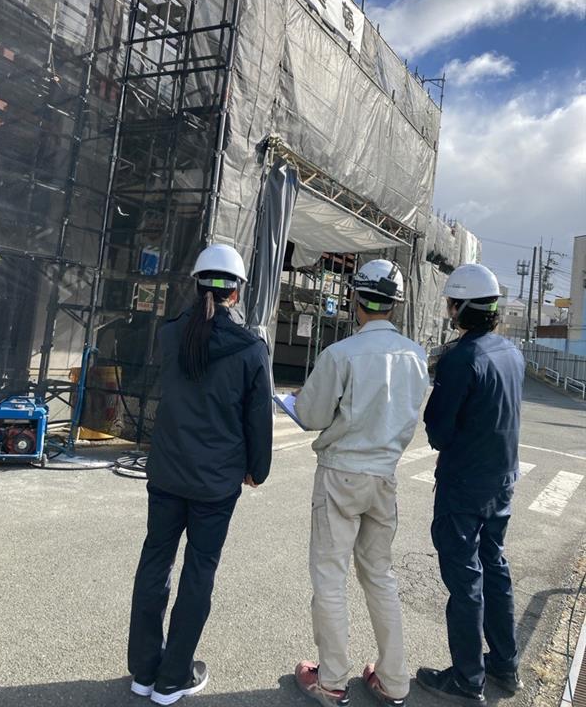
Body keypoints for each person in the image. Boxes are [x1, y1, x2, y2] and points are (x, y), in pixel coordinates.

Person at [128, 243, 273, 705]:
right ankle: (173, 677)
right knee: (198, 571)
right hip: (216, 481)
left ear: (196, 284)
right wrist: (257, 469)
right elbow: (258, 419)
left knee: (155, 562)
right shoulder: (250, 348)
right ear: (237, 291)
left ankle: (144, 670)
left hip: (167, 472)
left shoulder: (171, 334)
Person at [293, 259, 430, 707]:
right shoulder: (415, 356)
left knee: (330, 576)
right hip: (384, 475)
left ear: (356, 299)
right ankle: (394, 681)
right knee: (379, 576)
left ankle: (332, 680)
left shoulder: (341, 354)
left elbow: (311, 415)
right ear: (395, 305)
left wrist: (297, 402)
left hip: (341, 472)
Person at [416, 263, 525, 705]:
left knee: (465, 580)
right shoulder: (511, 352)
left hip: (464, 483)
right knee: (494, 568)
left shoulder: (461, 358)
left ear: (460, 308)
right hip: (502, 479)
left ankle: (467, 678)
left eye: (450, 303)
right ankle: (505, 663)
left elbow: (439, 431)